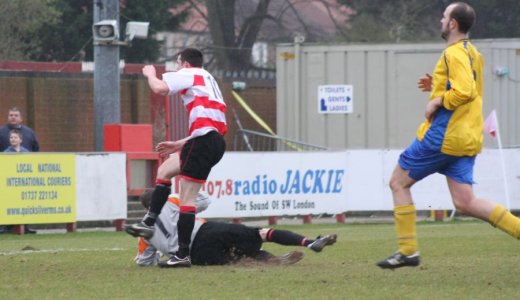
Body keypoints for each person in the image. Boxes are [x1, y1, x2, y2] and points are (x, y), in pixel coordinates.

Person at [377, 2, 520, 270]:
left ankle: (407, 251)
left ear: (453, 23)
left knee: (398, 182)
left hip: (443, 137)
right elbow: (468, 86)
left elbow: (465, 92)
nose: (440, 20)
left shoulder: (453, 53)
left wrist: (437, 99)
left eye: (444, 16)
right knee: (466, 202)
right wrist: (439, 84)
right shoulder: (473, 52)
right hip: (466, 138)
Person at [124, 48, 227, 268]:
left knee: (187, 201)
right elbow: (210, 124)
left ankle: (181, 253)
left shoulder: (191, 74)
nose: (178, 68)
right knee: (165, 172)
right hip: (213, 142)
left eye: (178, 63)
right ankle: (150, 223)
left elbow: (160, 88)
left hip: (203, 142)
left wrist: (150, 74)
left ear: (186, 64)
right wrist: (181, 143)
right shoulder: (209, 79)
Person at [131, 189, 337, 267]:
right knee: (261, 234)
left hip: (197, 257)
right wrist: (185, 188)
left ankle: (272, 260)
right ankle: (310, 242)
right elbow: (204, 201)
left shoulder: (144, 232)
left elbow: (144, 261)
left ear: (144, 208)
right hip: (205, 232)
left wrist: (160, 258)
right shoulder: (173, 200)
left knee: (240, 257)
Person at [0, 107, 39, 234]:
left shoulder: (29, 132)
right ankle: (5, 226)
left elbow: (36, 150)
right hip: (5, 174)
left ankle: (25, 226)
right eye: (11, 115)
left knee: (24, 199)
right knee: (6, 199)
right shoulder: (1, 132)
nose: (13, 117)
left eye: (16, 115)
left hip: (24, 174)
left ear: (21, 118)